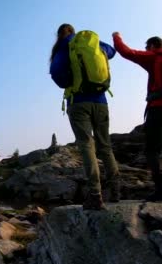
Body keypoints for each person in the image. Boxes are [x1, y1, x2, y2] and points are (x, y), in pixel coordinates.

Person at [112, 32, 162, 206]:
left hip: (159, 108)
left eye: (147, 46)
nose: (145, 49)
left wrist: (116, 36)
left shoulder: (154, 57)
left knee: (151, 150)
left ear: (153, 46)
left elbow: (127, 52)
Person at [50, 23, 121, 210]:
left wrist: (70, 80)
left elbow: (56, 74)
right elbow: (112, 51)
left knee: (87, 145)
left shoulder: (64, 46)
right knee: (105, 146)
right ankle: (116, 190)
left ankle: (95, 194)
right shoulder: (91, 43)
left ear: (60, 34)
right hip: (101, 102)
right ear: (74, 31)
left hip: (79, 102)